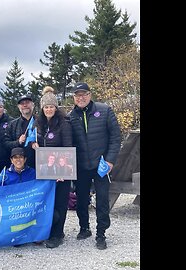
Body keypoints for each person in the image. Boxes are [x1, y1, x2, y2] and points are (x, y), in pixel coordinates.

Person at [67, 82, 121, 250]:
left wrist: (110, 160)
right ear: (74, 98)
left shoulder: (104, 110)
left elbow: (115, 137)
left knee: (102, 200)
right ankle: (84, 228)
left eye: (84, 94)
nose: (81, 98)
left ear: (90, 95)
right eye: (77, 95)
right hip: (82, 166)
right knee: (81, 200)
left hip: (101, 165)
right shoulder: (70, 116)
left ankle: (101, 233)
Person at [31, 86, 73, 249]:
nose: (49, 109)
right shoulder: (38, 123)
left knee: (60, 203)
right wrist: (32, 143)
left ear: (56, 108)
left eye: (51, 106)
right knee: (48, 202)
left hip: (60, 171)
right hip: (45, 170)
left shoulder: (64, 123)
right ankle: (49, 230)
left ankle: (57, 235)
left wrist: (64, 171)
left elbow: (68, 147)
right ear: (42, 108)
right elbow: (33, 140)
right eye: (46, 107)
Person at [4, 94, 37, 169]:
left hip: (38, 164)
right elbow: (6, 144)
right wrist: (18, 142)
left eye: (27, 102)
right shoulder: (12, 124)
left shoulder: (41, 122)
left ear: (33, 105)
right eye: (22, 103)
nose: (25, 105)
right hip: (19, 165)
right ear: (19, 107)